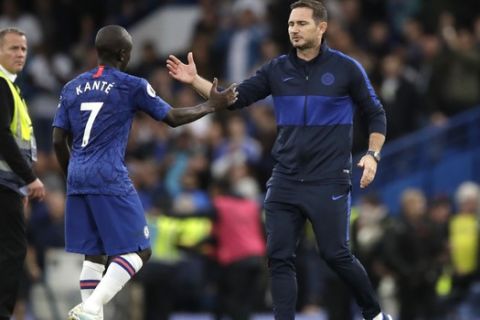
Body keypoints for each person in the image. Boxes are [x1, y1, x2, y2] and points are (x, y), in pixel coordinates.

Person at [166, 1, 391, 319]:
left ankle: (375, 314)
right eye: (290, 24)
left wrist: (372, 154)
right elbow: (233, 98)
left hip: (328, 178)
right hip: (285, 179)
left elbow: (375, 113)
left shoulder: (346, 68)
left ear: (321, 27)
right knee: (279, 257)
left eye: (301, 24)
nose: (294, 30)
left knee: (335, 254)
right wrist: (196, 81)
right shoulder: (276, 69)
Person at [52, 25, 237, 320]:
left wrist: (72, 176)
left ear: (98, 52)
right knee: (139, 250)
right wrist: (210, 105)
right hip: (108, 174)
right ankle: (89, 308)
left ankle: (90, 314)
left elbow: (57, 141)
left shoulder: (71, 87)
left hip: (77, 173)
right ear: (125, 54)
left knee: (95, 252)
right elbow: (173, 118)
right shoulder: (130, 84)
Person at [0, 27, 45, 320]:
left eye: (24, 49)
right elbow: (2, 137)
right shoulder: (2, 85)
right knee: (12, 252)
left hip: (8, 185)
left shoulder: (12, 86)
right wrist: (28, 179)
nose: (20, 54)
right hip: (3, 184)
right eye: (13, 48)